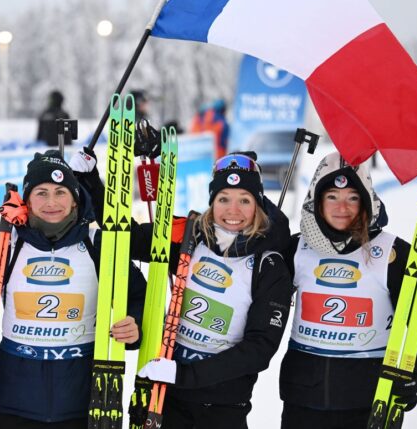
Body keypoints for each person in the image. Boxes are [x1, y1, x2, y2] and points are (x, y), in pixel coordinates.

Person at [73, 150, 293, 429]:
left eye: (244, 200)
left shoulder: (269, 265)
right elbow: (124, 236)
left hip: (222, 407)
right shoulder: (190, 237)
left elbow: (259, 349)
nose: (233, 210)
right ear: (212, 202)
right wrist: (91, 183)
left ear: (258, 205)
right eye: (223, 199)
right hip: (168, 399)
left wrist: (184, 374)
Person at [0, 150, 146, 429]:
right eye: (41, 192)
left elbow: (140, 297)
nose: (51, 202)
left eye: (60, 192)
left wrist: (135, 324)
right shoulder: (6, 246)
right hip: (12, 403)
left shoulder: (98, 246)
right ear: (27, 199)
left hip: (82, 404)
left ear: (75, 199)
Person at [279, 152, 417, 429]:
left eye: (353, 197)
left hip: (369, 403)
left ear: (366, 200)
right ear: (317, 201)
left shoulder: (391, 252)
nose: (341, 207)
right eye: (332, 196)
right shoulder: (297, 249)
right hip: (302, 400)